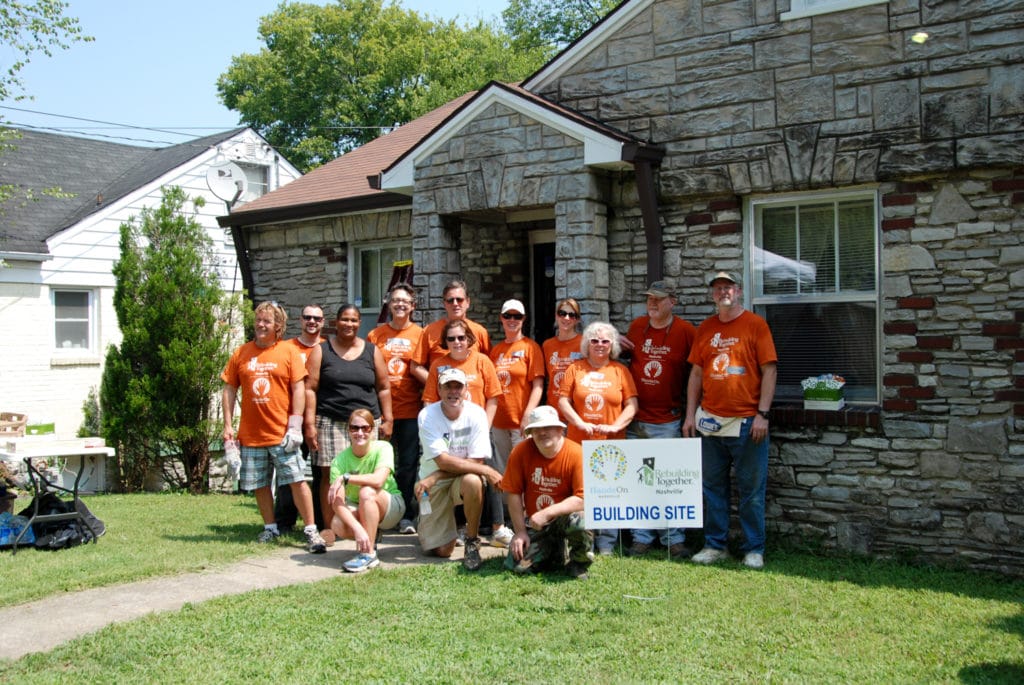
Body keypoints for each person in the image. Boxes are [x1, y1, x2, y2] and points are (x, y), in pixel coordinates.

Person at [683, 271, 778, 570]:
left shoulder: (755, 325)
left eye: (728, 287)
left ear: (738, 291)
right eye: (717, 288)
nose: (722, 292)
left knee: (751, 490)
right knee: (713, 488)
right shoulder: (706, 329)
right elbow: (696, 374)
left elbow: (770, 370)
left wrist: (763, 414)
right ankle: (715, 545)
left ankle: (753, 548)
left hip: (749, 422)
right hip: (709, 421)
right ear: (712, 295)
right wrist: (690, 414)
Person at [221, 300, 327, 553]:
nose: (260, 325)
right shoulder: (242, 353)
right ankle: (270, 527)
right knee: (259, 483)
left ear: (278, 326)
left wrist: (295, 425)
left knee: (298, 480)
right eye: (258, 320)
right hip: (251, 434)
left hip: (282, 432)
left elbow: (299, 388)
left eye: (267, 321)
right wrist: (227, 427)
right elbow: (229, 388)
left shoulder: (288, 352)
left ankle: (311, 530)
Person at [621, 281, 696, 559]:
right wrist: (615, 343)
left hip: (668, 420)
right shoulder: (638, 327)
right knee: (640, 481)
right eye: (649, 298)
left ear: (672, 301)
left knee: (667, 482)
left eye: (659, 299)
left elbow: (698, 372)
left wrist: (692, 413)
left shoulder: (686, 332)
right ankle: (641, 537)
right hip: (637, 420)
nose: (652, 304)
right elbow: (618, 360)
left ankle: (673, 538)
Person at [305, 304, 393, 532]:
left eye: (354, 320)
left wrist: (388, 418)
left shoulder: (371, 351)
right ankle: (330, 527)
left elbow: (383, 387)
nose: (349, 324)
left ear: (359, 323)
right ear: (336, 321)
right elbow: (310, 388)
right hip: (330, 421)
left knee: (367, 474)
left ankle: (370, 524)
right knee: (328, 474)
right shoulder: (322, 351)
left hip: (366, 423)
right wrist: (309, 423)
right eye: (345, 319)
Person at [558, 320, 638, 555]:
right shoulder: (575, 368)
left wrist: (615, 427)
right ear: (587, 343)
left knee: (610, 494)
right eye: (594, 340)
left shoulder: (619, 370)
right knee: (581, 493)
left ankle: (607, 544)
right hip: (578, 443)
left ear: (612, 345)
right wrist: (579, 422)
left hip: (611, 445)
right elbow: (563, 400)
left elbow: (632, 404)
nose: (600, 345)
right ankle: (584, 540)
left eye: (605, 341)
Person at [415, 368, 502, 571]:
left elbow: (477, 461)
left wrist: (437, 474)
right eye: (448, 386)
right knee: (442, 551)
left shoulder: (477, 413)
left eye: (458, 386)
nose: (453, 391)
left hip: (449, 478)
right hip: (430, 482)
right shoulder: (427, 415)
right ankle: (437, 524)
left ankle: (472, 541)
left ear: (466, 389)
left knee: (473, 480)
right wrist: (488, 472)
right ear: (438, 389)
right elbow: (443, 461)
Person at [500, 405, 593, 580]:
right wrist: (520, 532)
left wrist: (548, 512)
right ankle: (555, 551)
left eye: (547, 427)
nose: (542, 433)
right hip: (535, 523)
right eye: (536, 429)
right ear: (531, 433)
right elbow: (512, 492)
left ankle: (578, 564)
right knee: (518, 567)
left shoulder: (576, 453)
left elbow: (583, 498)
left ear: (560, 429)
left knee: (580, 520)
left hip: (564, 519)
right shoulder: (520, 452)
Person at [367, 283, 427, 535]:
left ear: (413, 306)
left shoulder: (421, 334)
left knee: (407, 465)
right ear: (388, 304)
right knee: (380, 464)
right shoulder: (375, 335)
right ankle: (379, 511)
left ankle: (404, 515)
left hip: (411, 411)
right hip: (381, 412)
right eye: (395, 300)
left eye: (405, 301)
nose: (400, 304)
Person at [487, 298, 545, 548]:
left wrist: (528, 416)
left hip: (521, 421)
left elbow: (538, 385)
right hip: (498, 421)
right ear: (501, 318)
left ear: (523, 320)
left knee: (525, 471)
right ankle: (507, 524)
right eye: (508, 316)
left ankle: (529, 522)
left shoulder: (531, 347)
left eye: (517, 317)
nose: (512, 320)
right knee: (502, 473)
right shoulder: (496, 351)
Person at [325, 409, 406, 573]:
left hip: (390, 506)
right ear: (348, 430)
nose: (360, 433)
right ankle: (370, 538)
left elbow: (378, 480)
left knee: (367, 491)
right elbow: (337, 502)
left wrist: (345, 478)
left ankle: (367, 554)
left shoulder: (383, 447)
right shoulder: (338, 461)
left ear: (372, 430)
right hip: (360, 508)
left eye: (365, 428)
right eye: (354, 428)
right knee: (337, 523)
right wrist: (358, 528)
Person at [275, 304, 326, 532]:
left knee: (320, 473)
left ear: (323, 322)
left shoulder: (328, 348)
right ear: (300, 320)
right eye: (308, 317)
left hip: (319, 420)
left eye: (317, 318)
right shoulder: (286, 348)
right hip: (291, 421)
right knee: (289, 474)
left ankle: (318, 522)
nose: (312, 321)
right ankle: (284, 522)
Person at [421, 320, 501, 425]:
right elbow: (429, 400)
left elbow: (493, 397)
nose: (456, 342)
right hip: (446, 425)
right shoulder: (437, 365)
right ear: (446, 342)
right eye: (451, 339)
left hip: (475, 424)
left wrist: (486, 426)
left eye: (461, 337)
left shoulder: (482, 361)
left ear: (468, 338)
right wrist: (431, 425)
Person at [412, 279, 491, 372]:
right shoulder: (429, 331)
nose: (455, 304)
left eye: (459, 299)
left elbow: (489, 365)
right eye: (450, 300)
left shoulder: (480, 331)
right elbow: (415, 366)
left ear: (468, 302)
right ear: (444, 304)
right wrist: (434, 383)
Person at [541, 297, 583, 419]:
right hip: (553, 412)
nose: (566, 318)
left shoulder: (584, 343)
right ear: (556, 316)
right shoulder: (547, 345)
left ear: (577, 320)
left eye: (572, 315)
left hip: (577, 413)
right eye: (562, 313)